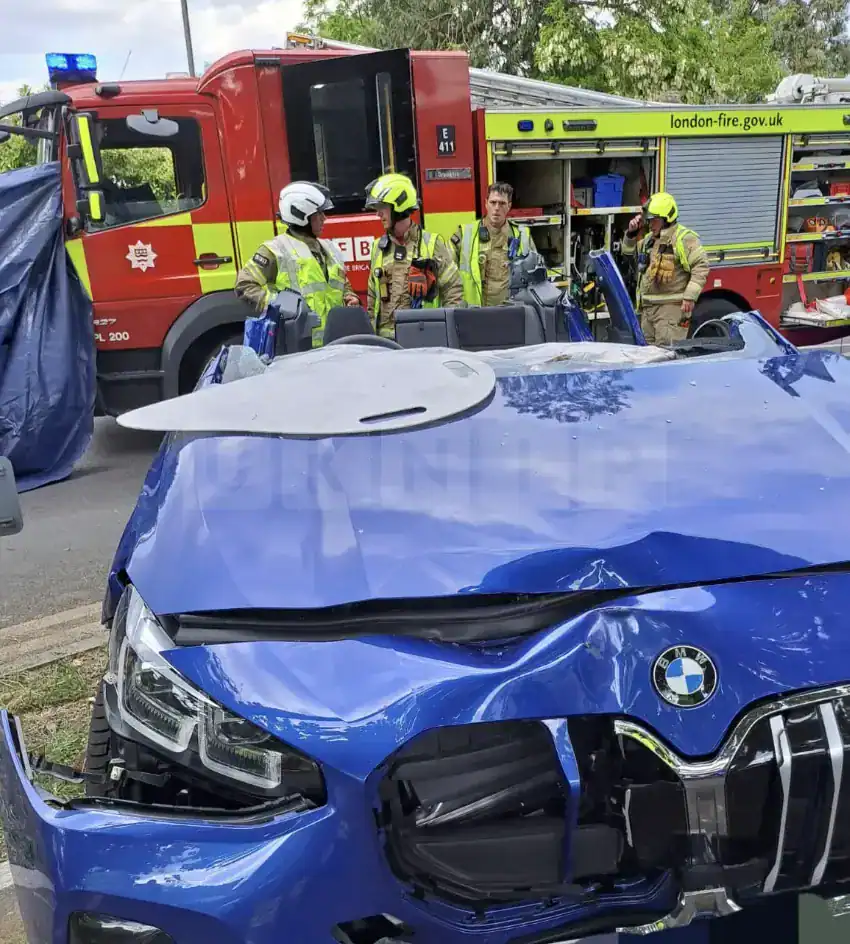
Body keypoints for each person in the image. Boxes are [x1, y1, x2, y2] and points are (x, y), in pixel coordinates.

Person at [234, 181, 360, 347]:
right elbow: (245, 284)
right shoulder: (275, 250)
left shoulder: (330, 248)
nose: (324, 218)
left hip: (335, 342)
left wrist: (350, 297)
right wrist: (279, 310)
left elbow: (343, 284)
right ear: (301, 215)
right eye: (319, 214)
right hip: (297, 346)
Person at [365, 173, 464, 337]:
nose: (378, 214)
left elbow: (453, 291)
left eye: (382, 208)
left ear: (398, 206)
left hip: (423, 339)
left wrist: (447, 333)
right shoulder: (378, 247)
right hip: (385, 345)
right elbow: (371, 298)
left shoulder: (432, 244)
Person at [621, 191, 710, 344]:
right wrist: (631, 234)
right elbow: (628, 255)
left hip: (670, 311)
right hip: (648, 310)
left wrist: (690, 296)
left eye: (654, 220)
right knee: (648, 359)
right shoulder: (649, 240)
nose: (650, 224)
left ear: (666, 218)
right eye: (649, 220)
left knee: (666, 357)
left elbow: (701, 266)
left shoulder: (684, 238)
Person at [453, 182, 535, 307]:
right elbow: (445, 271)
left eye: (502, 203)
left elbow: (535, 276)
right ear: (486, 203)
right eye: (493, 202)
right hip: (474, 315)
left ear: (509, 206)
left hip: (511, 314)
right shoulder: (465, 234)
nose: (497, 208)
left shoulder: (522, 236)